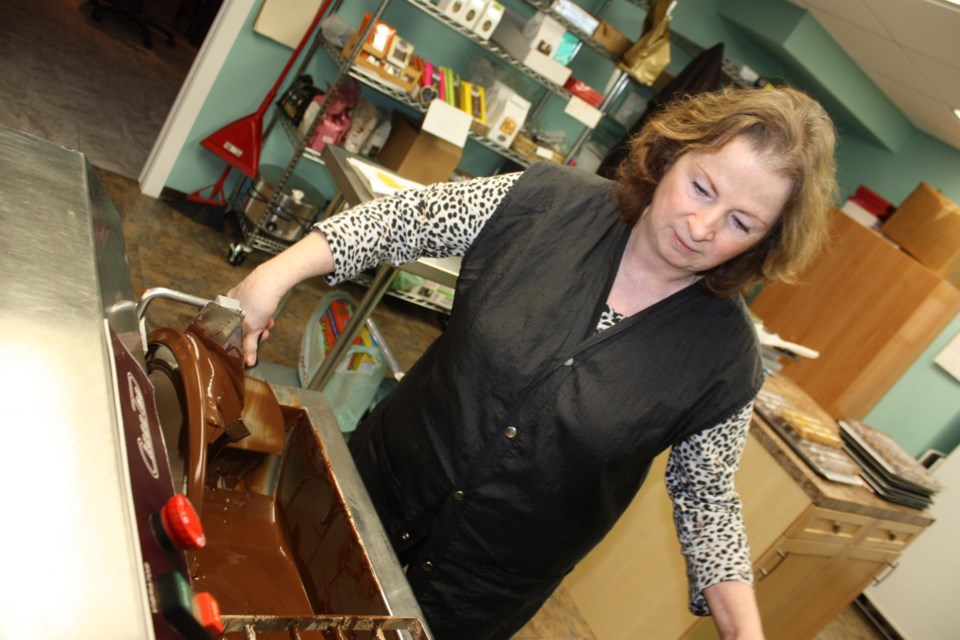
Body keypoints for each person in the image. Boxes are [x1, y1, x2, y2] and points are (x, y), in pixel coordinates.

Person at [228, 85, 838, 640]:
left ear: (765, 242)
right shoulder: (546, 202)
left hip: (473, 597)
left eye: (741, 223)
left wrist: (745, 630)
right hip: (365, 499)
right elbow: (405, 219)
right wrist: (274, 273)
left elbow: (707, 500)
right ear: (671, 156)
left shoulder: (725, 361)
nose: (703, 227)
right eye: (702, 187)